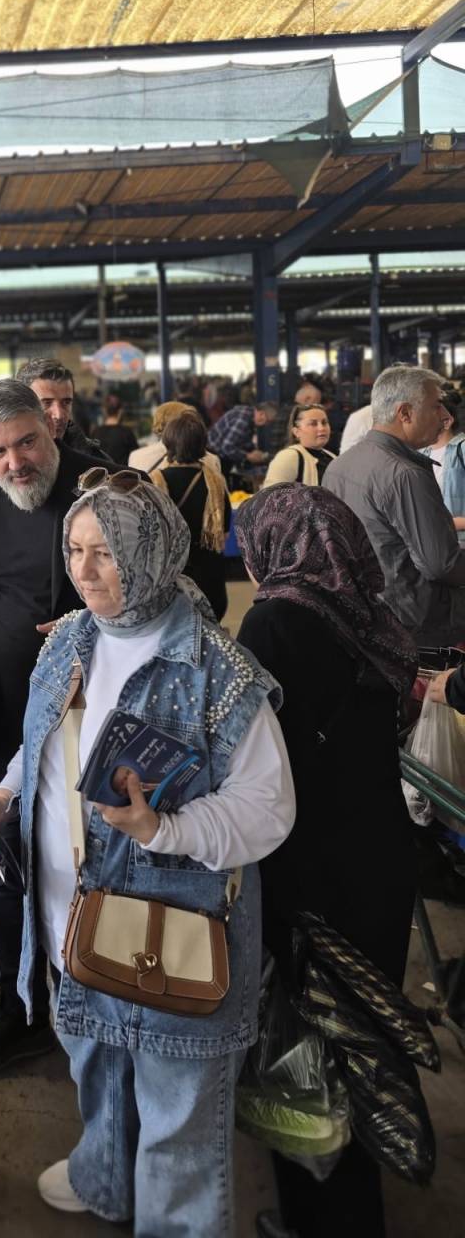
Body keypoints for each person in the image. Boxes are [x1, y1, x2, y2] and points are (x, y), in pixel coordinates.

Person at [0, 474, 293, 1231]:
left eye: (105, 554)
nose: (83, 570)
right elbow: (37, 739)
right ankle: (106, 1178)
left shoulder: (218, 671)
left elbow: (269, 811)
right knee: (96, 1064)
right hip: (71, 917)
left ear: (149, 555)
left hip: (169, 935)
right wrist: (5, 798)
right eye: (75, 550)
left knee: (179, 1116)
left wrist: (162, 832)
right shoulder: (74, 637)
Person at [235, 486, 417, 1238]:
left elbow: (244, 749)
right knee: (367, 1038)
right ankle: (362, 1210)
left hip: (307, 867)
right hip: (381, 857)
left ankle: (319, 1218)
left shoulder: (274, 620)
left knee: (306, 1049)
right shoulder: (374, 615)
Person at [0, 379, 105, 1076]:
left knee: (89, 872)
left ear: (50, 428)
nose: (14, 462)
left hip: (86, 730)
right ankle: (20, 1004)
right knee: (4, 873)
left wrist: (94, 628)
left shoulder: (97, 497)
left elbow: (164, 584)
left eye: (27, 442)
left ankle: (98, 1001)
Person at [324, 364, 465, 646]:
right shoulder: (407, 474)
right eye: (437, 406)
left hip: (363, 616)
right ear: (405, 413)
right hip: (420, 626)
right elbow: (440, 564)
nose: (446, 417)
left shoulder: (339, 466)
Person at [0, 358, 104, 476]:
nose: (59, 414)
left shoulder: (95, 459)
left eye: (66, 402)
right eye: (46, 403)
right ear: (19, 401)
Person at [149, 411, 230, 620]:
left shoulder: (154, 482)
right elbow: (225, 532)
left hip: (170, 576)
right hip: (210, 579)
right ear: (202, 443)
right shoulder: (216, 482)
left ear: (168, 443)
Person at [421, 391, 465, 544]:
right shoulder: (421, 453)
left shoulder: (461, 450)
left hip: (458, 543)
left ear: (447, 420)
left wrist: (447, 523)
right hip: (432, 543)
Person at [262, 404, 337, 487]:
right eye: (313, 424)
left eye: (324, 422)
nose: (322, 428)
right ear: (296, 432)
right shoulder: (288, 456)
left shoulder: (332, 457)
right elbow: (271, 496)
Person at [206, 399, 276, 474]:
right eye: (268, 421)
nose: (266, 425)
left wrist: (255, 452)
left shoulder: (248, 415)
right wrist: (248, 456)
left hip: (218, 457)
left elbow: (240, 441)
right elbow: (227, 447)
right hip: (212, 457)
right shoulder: (243, 419)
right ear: (262, 414)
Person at [96, 393, 137, 467]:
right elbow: (136, 458)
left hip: (101, 476)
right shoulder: (127, 433)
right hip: (123, 476)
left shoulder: (95, 433)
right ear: (120, 411)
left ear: (104, 410)